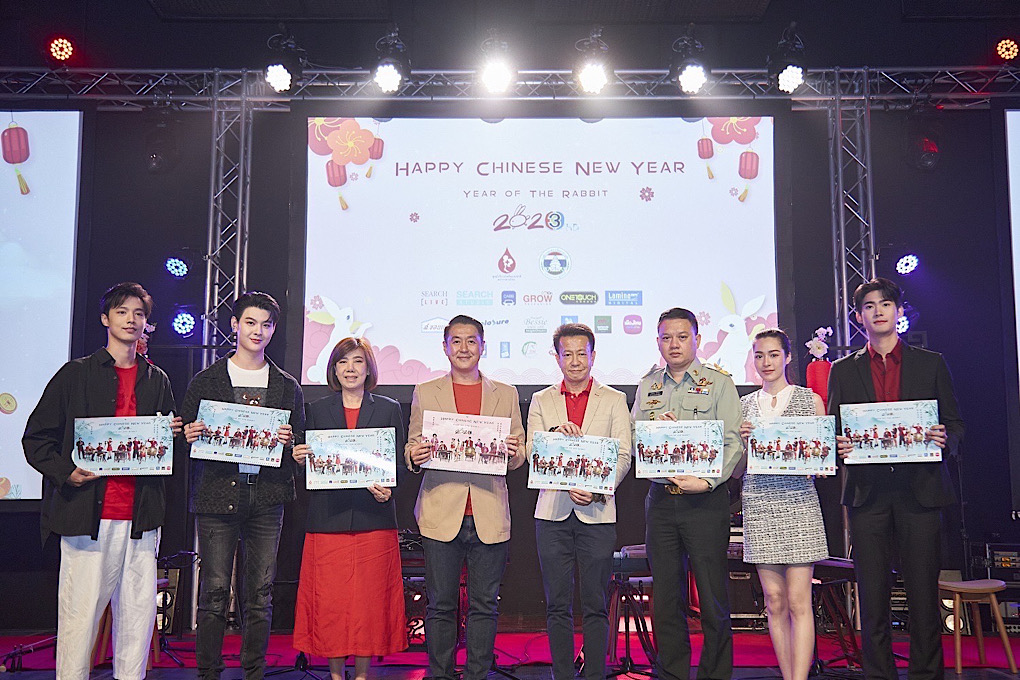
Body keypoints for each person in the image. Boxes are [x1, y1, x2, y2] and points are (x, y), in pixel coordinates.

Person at [23, 282, 182, 680]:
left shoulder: (157, 379)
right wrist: (67, 472)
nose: (131, 320)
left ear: (147, 323)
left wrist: (172, 434)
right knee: (79, 617)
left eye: (139, 314)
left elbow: (165, 448)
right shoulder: (75, 374)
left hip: (141, 517)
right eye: (122, 312)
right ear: (105, 319)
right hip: (87, 517)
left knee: (138, 619)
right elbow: (36, 438)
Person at [827, 278, 964, 680]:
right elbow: (834, 430)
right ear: (859, 317)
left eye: (886, 304)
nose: (878, 311)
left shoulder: (931, 363)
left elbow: (955, 424)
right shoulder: (842, 370)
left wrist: (945, 439)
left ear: (899, 312)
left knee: (922, 596)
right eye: (869, 306)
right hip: (867, 495)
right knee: (872, 599)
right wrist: (839, 445)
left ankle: (926, 674)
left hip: (920, 491)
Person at [182, 291, 304, 680]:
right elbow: (183, 435)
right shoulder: (206, 380)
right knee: (215, 592)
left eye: (266, 325)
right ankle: (208, 672)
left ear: (273, 330)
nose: (258, 331)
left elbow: (300, 445)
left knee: (260, 594)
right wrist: (189, 434)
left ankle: (254, 672)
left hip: (267, 497)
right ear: (234, 325)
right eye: (250, 322)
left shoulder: (287, 385)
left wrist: (290, 442)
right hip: (217, 494)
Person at [405, 314, 526, 680]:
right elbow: (412, 445)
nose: (463, 348)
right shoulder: (426, 391)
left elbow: (520, 453)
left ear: (483, 347)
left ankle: (477, 674)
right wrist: (415, 455)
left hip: (489, 512)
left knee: (484, 605)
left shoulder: (506, 393)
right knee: (441, 604)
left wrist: (513, 452)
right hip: (441, 512)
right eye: (455, 341)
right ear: (445, 347)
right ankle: (439, 674)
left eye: (471, 341)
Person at [631, 307, 743, 680]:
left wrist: (708, 482)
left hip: (705, 502)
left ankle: (715, 674)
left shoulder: (719, 383)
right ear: (658, 341)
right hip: (661, 500)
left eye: (682, 336)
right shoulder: (648, 385)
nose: (674, 344)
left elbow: (732, 443)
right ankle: (672, 672)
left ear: (697, 338)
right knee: (665, 597)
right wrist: (654, 434)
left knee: (711, 597)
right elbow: (635, 438)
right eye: (666, 337)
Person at [291, 337, 408, 680]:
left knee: (368, 605)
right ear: (334, 369)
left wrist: (390, 489)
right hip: (329, 518)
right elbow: (310, 466)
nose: (350, 369)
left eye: (358, 361)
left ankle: (362, 675)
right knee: (332, 603)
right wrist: (300, 459)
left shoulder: (388, 408)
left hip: (374, 518)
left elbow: (398, 464)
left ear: (369, 368)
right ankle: (335, 674)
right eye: (343, 362)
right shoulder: (316, 409)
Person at [526, 323, 632, 680]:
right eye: (567, 354)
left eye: (581, 354)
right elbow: (530, 449)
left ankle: (595, 674)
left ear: (593, 356)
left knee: (595, 604)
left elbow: (623, 455)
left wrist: (599, 489)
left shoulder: (614, 399)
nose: (574, 361)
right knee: (557, 604)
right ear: (557, 357)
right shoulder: (541, 400)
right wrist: (553, 436)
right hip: (552, 514)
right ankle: (562, 674)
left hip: (597, 513)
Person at [738, 329, 828, 680]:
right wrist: (742, 443)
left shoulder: (810, 401)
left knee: (798, 601)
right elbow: (736, 469)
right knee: (774, 601)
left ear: (788, 357)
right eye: (759, 355)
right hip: (759, 503)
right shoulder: (744, 406)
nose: (766, 362)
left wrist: (815, 454)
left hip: (799, 503)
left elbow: (822, 463)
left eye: (773, 354)